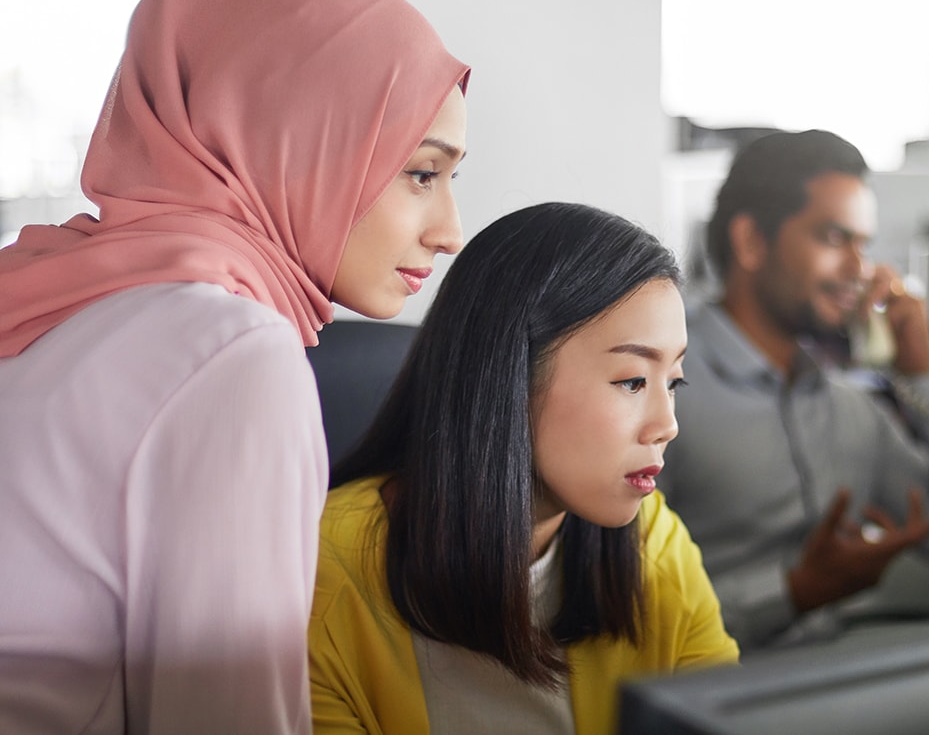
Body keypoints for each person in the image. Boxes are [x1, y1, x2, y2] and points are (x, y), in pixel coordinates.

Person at [0, 0, 469, 734]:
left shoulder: (66, 295)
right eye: (422, 173)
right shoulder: (231, 352)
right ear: (300, 141)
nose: (450, 230)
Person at [309, 202, 739, 735]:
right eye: (632, 381)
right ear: (508, 377)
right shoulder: (319, 575)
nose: (666, 424)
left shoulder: (656, 545)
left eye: (672, 382)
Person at [658, 129, 929, 650]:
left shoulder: (846, 408)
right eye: (832, 238)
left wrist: (924, 372)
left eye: (863, 245)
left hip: (834, 681)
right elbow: (623, 617)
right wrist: (795, 592)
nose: (860, 270)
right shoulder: (663, 394)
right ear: (752, 242)